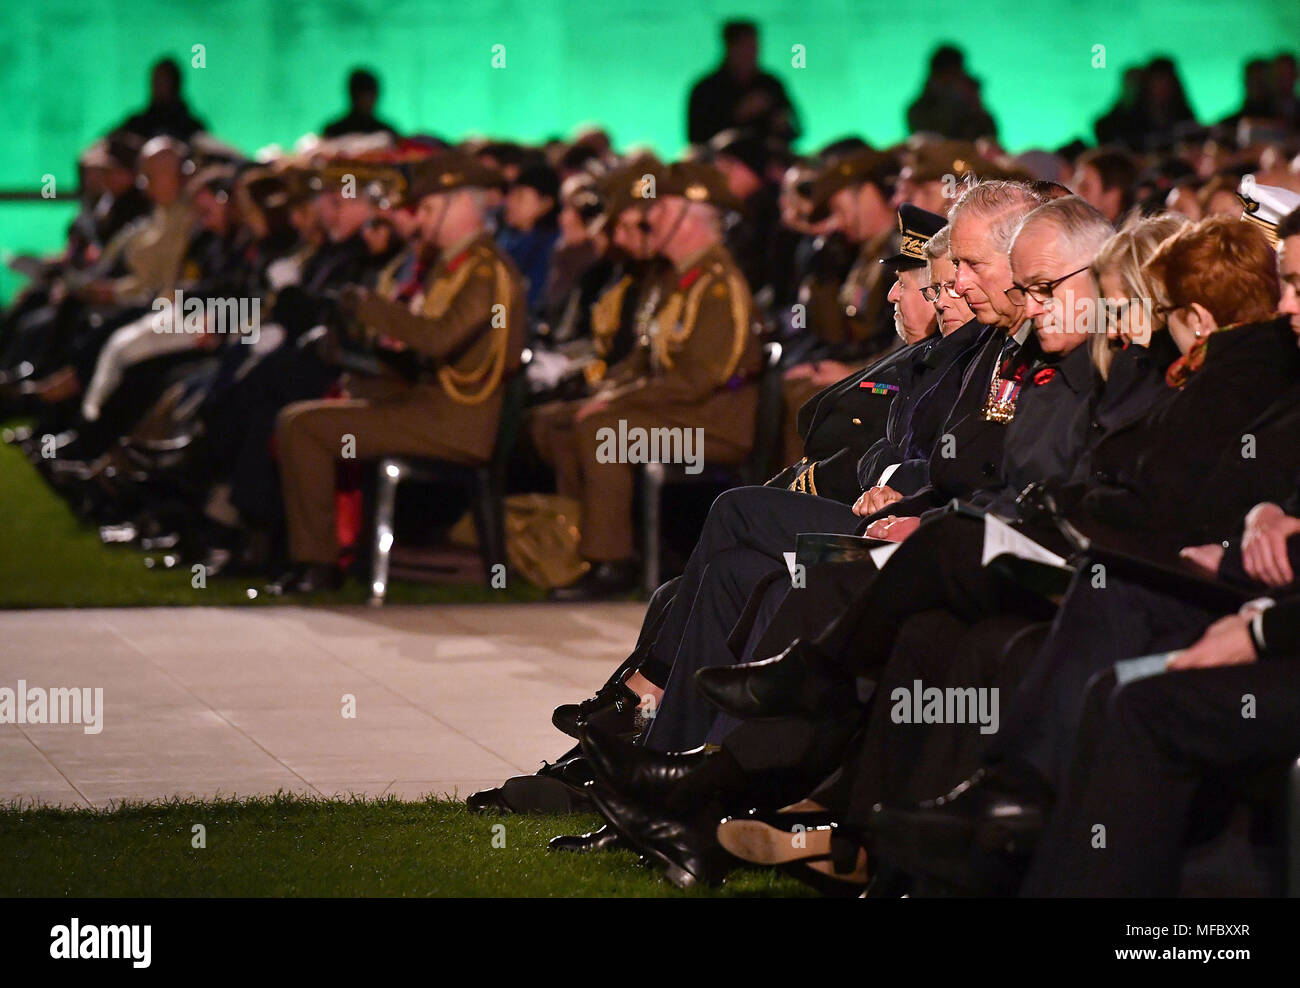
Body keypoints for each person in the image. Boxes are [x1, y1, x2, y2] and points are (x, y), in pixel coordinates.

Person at [269, 153, 527, 593]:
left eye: (427, 209)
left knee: (305, 428)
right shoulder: (457, 266)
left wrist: (371, 307)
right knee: (301, 415)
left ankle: (319, 564)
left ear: (459, 205)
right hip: (434, 407)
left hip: (455, 421)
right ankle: (313, 559)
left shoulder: (485, 271)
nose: (419, 222)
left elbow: (437, 338)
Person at [534, 161, 762, 601]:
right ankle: (579, 548)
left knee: (605, 433)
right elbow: (642, 363)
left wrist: (618, 402)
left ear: (691, 217)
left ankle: (611, 562)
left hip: (712, 430)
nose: (646, 218)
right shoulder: (673, 280)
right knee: (562, 421)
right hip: (679, 416)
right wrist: (607, 392)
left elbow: (698, 380)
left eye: (659, 209)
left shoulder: (717, 283)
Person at [686, 20, 799, 146]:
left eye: (754, 47)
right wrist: (736, 115)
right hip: (719, 161)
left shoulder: (771, 85)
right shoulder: (706, 90)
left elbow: (797, 129)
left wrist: (782, 124)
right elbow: (696, 138)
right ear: (730, 47)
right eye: (745, 47)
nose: (752, 53)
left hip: (769, 160)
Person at [117, 57, 207, 142]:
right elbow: (110, 141)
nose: (158, 86)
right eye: (157, 80)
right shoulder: (138, 124)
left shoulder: (190, 127)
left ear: (175, 84)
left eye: (164, 81)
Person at [321, 69, 399, 139]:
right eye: (363, 94)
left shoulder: (388, 133)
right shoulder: (333, 132)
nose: (366, 100)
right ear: (352, 95)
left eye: (370, 94)